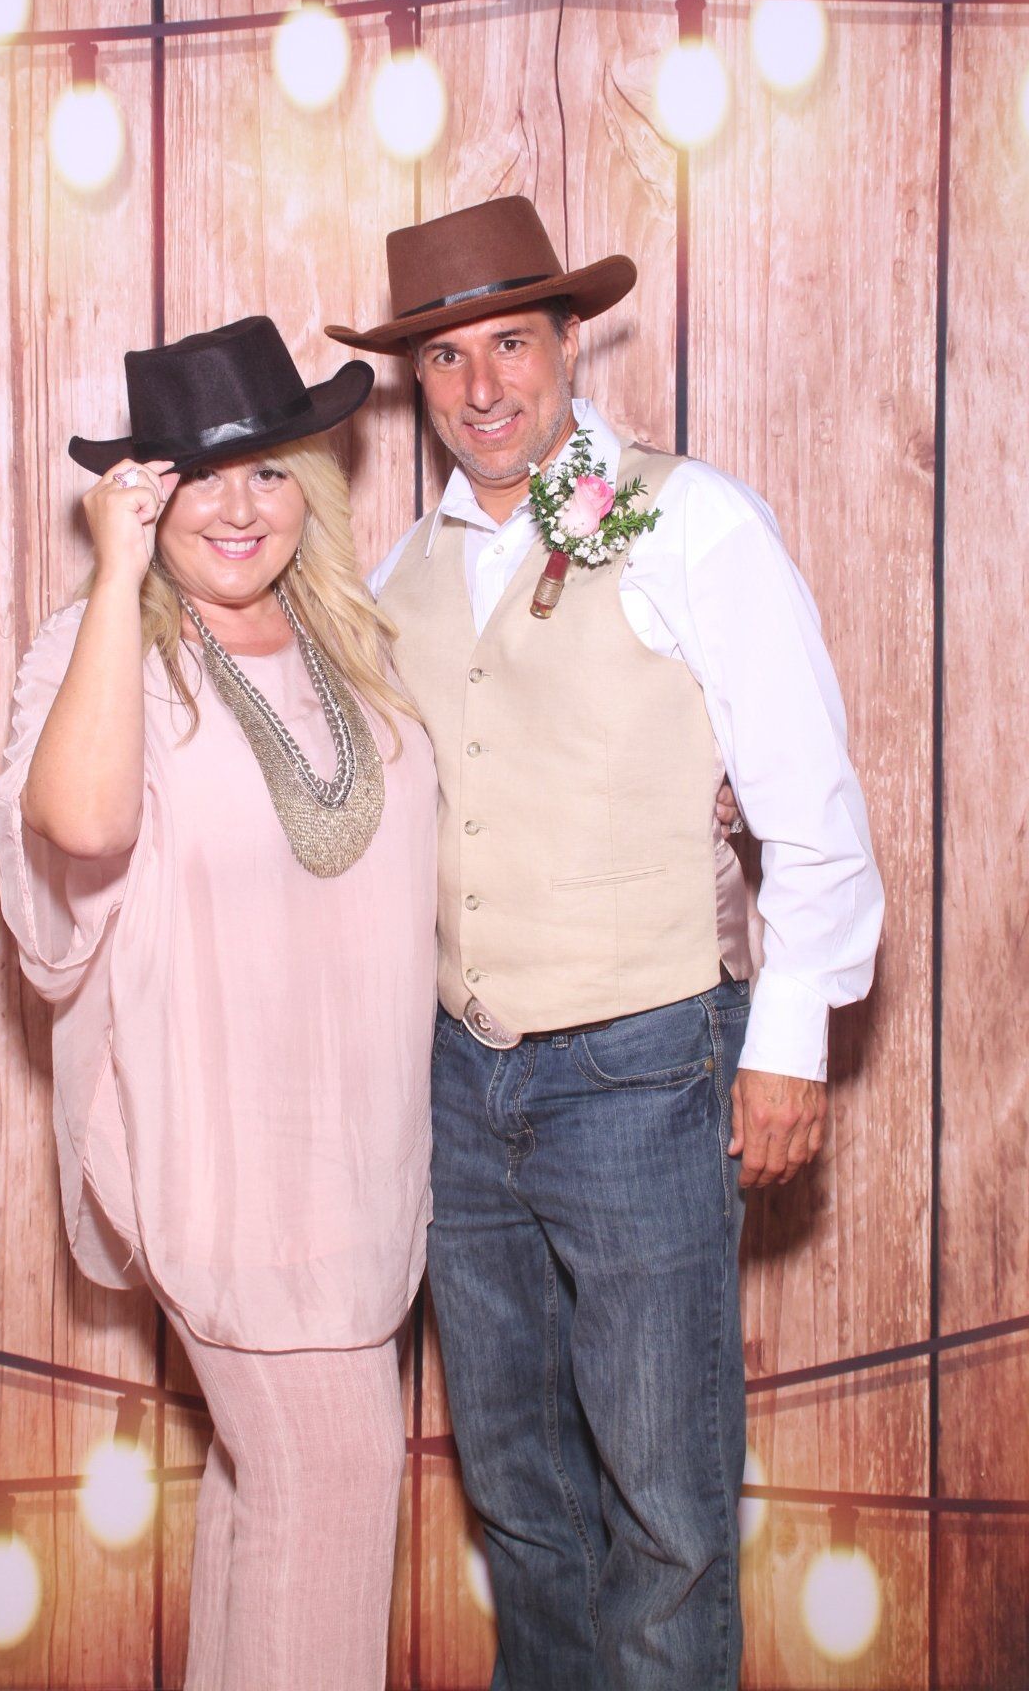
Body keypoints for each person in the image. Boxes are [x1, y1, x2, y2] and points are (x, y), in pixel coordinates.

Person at [328, 195, 885, 1691]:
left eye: (511, 343)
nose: (482, 387)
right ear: (418, 382)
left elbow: (811, 804)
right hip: (460, 1086)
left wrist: (790, 1045)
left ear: (571, 343)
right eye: (446, 360)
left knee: (667, 1510)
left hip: (645, 1068)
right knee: (522, 1503)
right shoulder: (396, 575)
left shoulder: (690, 519)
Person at [0, 316, 438, 1691]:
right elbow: (81, 823)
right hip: (226, 1163)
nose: (239, 509)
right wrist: (117, 577)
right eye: (197, 478)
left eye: (271, 471)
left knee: (270, 1504)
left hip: (368, 1160)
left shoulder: (358, 640)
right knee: (334, 1490)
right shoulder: (104, 649)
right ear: (144, 495)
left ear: (314, 486)